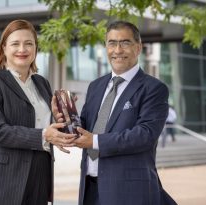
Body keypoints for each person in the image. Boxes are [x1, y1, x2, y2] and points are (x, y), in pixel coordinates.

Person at [53, 21, 176, 205]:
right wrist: (65, 119)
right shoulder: (96, 86)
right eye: (112, 43)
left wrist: (94, 141)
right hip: (90, 190)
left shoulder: (154, 89)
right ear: (106, 47)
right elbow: (84, 128)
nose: (117, 50)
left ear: (138, 47)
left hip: (129, 192)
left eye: (125, 43)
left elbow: (145, 135)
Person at [0, 19, 76, 205]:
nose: (22, 49)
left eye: (29, 43)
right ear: (4, 48)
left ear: (36, 49)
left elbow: (40, 125)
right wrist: (46, 135)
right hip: (4, 179)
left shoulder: (41, 83)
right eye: (15, 43)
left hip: (39, 177)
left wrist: (58, 119)